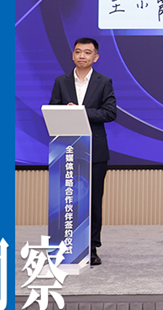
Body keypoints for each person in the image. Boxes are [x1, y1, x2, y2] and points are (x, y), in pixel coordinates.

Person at [50, 37, 117, 266]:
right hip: (67, 150)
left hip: (95, 150)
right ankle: (65, 244)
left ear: (95, 57)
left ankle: (92, 246)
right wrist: (65, 112)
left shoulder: (104, 82)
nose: (82, 56)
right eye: (78, 51)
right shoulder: (61, 82)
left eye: (87, 52)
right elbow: (53, 110)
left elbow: (110, 113)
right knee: (68, 199)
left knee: (93, 200)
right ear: (72, 55)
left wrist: (81, 111)